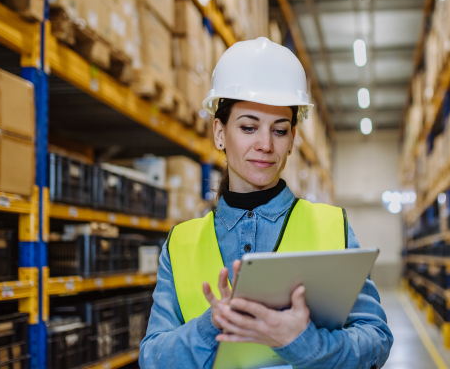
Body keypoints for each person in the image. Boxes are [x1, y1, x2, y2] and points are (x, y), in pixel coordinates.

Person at [139, 37, 393, 369]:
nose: (265, 145)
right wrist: (210, 326)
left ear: (292, 140)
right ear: (219, 132)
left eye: (279, 130)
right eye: (248, 127)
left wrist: (302, 343)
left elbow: (375, 339)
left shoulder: (331, 226)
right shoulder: (181, 243)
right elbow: (152, 358)